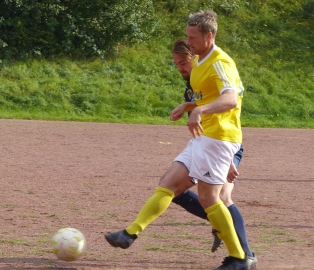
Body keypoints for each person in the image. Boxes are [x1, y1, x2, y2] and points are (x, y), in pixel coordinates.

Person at [105, 10, 253, 270]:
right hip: (203, 136)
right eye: (188, 36)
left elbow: (230, 99)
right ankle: (129, 234)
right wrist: (189, 104)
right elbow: (208, 96)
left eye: (193, 37)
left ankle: (240, 258)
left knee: (210, 199)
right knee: (168, 184)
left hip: (218, 137)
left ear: (209, 36)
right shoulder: (200, 61)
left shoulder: (220, 62)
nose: (189, 42)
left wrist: (199, 110)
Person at [170, 38, 257, 268]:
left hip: (226, 144)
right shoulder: (192, 85)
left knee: (223, 199)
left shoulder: (212, 72)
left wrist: (228, 160)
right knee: (174, 190)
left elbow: (226, 116)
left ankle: (246, 255)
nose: (180, 68)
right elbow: (199, 128)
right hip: (208, 143)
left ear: (195, 59)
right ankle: (221, 225)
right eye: (177, 64)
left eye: (183, 63)